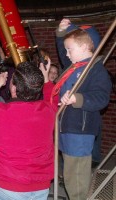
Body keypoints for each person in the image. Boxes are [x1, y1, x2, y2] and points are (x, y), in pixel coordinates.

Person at [0, 59, 58, 200]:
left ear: (14, 88)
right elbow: (53, 96)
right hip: (41, 188)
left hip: (5, 187)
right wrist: (46, 79)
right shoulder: (48, 111)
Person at [53, 18, 112, 200]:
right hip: (67, 126)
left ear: (85, 48)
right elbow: (65, 54)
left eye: (69, 49)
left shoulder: (95, 70)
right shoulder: (75, 66)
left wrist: (76, 98)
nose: (66, 54)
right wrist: (62, 32)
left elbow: (101, 97)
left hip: (80, 130)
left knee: (77, 176)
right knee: (70, 170)